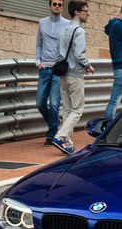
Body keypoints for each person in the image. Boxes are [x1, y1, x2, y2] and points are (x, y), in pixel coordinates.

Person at [51, 0, 95, 155]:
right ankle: (59, 137)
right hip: (75, 74)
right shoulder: (79, 31)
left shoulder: (63, 30)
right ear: (77, 12)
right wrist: (88, 65)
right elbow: (79, 54)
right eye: (86, 10)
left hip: (62, 74)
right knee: (77, 110)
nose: (88, 13)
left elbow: (57, 54)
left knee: (67, 110)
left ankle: (68, 145)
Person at [35, 0, 70, 146]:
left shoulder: (67, 24)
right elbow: (39, 44)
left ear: (62, 7)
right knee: (40, 103)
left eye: (60, 5)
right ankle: (54, 121)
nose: (57, 7)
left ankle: (51, 134)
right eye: (54, 4)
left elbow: (68, 45)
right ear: (50, 6)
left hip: (57, 69)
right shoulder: (42, 22)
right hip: (44, 68)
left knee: (55, 103)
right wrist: (38, 61)